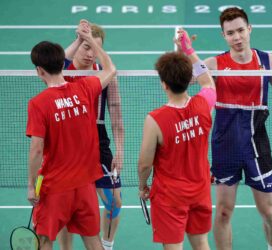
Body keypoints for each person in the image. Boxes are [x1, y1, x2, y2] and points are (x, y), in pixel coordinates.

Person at [204, 7, 272, 250]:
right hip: (225, 145)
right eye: (230, 33)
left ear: (249, 29)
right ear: (224, 36)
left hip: (257, 145)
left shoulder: (267, 60)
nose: (237, 37)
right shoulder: (215, 63)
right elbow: (186, 75)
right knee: (223, 212)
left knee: (267, 210)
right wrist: (185, 51)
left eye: (241, 30)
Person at [26, 20, 116, 250]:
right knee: (92, 240)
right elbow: (110, 69)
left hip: (55, 186)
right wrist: (87, 41)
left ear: (39, 70)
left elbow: (37, 150)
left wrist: (30, 185)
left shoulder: (39, 104)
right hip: (85, 184)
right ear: (62, 64)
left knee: (45, 239)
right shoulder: (85, 88)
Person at [138, 29, 216, 250]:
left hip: (169, 197)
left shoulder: (155, 120)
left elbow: (144, 163)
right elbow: (207, 81)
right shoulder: (204, 104)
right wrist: (189, 50)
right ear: (188, 79)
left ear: (164, 84)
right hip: (200, 190)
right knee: (201, 243)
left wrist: (143, 186)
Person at [57, 22, 124, 250]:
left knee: (114, 202)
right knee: (67, 206)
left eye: (94, 48)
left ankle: (107, 244)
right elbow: (56, 62)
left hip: (98, 140)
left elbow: (115, 112)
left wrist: (121, 149)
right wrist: (80, 38)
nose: (89, 52)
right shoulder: (64, 72)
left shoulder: (103, 75)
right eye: (85, 46)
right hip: (67, 143)